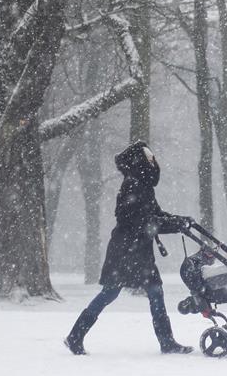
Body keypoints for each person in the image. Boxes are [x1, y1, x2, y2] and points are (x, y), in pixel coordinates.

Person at [64, 141, 194, 355]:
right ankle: (75, 336)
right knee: (111, 293)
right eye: (150, 157)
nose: (153, 160)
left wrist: (180, 221)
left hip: (138, 251)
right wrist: (175, 224)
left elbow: (156, 215)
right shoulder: (134, 185)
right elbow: (145, 221)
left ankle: (167, 342)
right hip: (126, 251)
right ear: (140, 160)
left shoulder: (142, 185)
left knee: (153, 292)